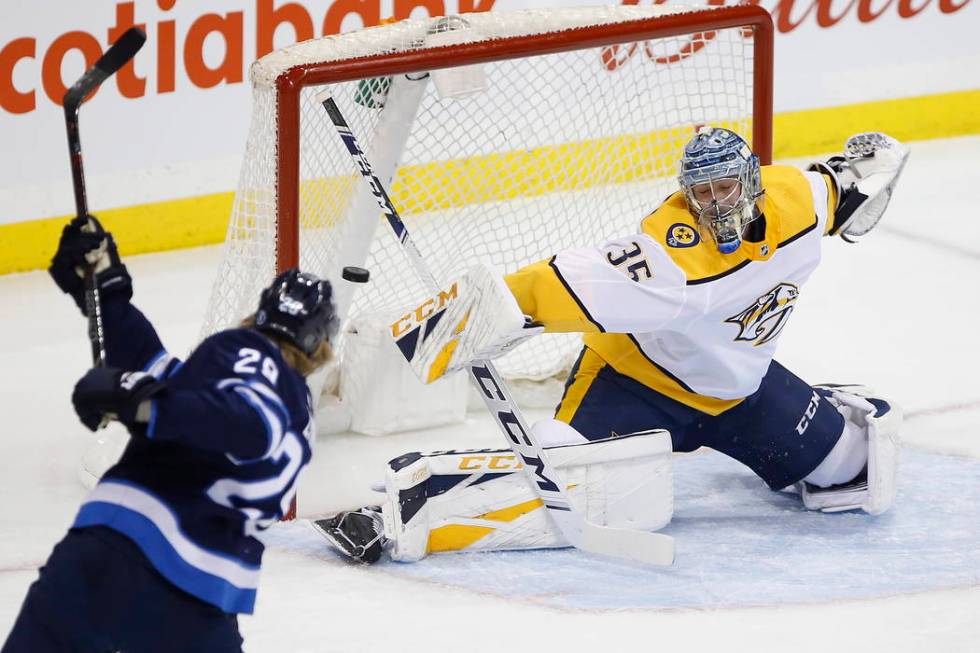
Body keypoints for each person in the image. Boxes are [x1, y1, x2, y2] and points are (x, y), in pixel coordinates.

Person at [315, 127, 908, 565]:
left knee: (852, 473)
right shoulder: (669, 257)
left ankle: (817, 407)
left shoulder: (797, 201)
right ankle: (399, 512)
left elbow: (845, 181)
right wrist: (457, 322)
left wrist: (866, 171)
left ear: (752, 182)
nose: (713, 205)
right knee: (563, 485)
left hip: (740, 394)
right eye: (699, 193)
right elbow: (555, 282)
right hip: (634, 385)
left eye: (725, 188)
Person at [2, 218, 338, 652]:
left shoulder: (249, 355)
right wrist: (104, 290)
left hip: (108, 552)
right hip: (199, 601)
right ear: (319, 348)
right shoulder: (294, 411)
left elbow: (240, 421)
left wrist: (144, 403)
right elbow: (158, 368)